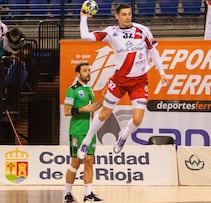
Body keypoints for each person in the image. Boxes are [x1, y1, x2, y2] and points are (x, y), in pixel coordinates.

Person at [77, 3, 169, 159]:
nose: (127, 17)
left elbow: (153, 51)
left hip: (139, 81)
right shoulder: (111, 32)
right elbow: (85, 36)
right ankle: (86, 141)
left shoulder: (142, 30)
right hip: (119, 80)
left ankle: (123, 136)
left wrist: (162, 72)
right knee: (104, 114)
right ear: (117, 16)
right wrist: (84, 17)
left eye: (129, 14)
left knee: (138, 119)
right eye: (124, 14)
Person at [63, 62, 104, 203]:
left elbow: (92, 108)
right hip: (77, 131)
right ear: (78, 74)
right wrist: (82, 109)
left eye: (89, 70)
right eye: (85, 70)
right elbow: (67, 111)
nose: (88, 73)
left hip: (90, 132)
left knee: (89, 161)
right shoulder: (72, 90)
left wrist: (103, 99)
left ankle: (88, 194)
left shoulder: (90, 90)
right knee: (75, 161)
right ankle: (67, 193)